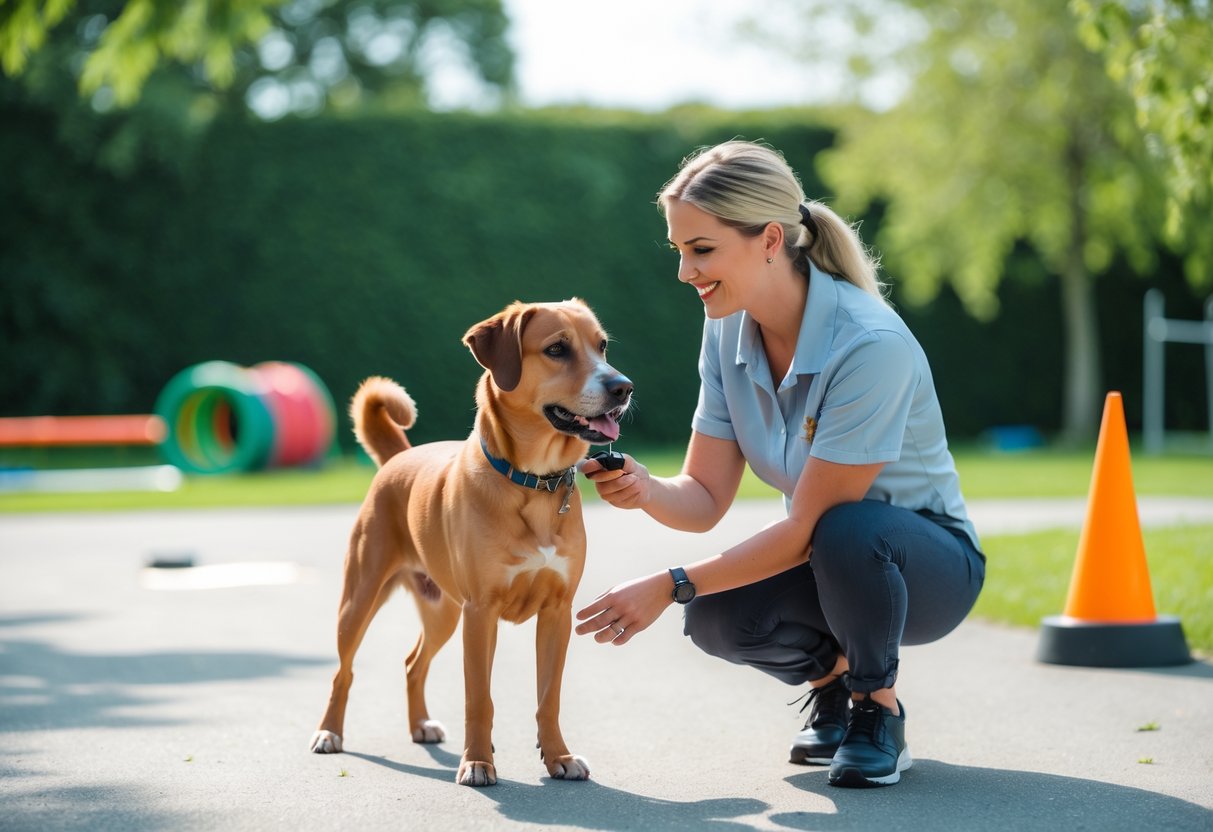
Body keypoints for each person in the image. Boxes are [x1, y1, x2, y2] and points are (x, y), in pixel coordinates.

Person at [574, 140, 985, 788]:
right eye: (678, 250)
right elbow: (705, 496)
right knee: (715, 616)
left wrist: (665, 583)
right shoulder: (726, 328)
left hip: (927, 569)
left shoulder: (868, 344)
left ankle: (877, 714)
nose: (684, 271)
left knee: (846, 527)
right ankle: (833, 684)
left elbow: (806, 529)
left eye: (700, 249)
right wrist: (646, 489)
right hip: (831, 557)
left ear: (769, 239)